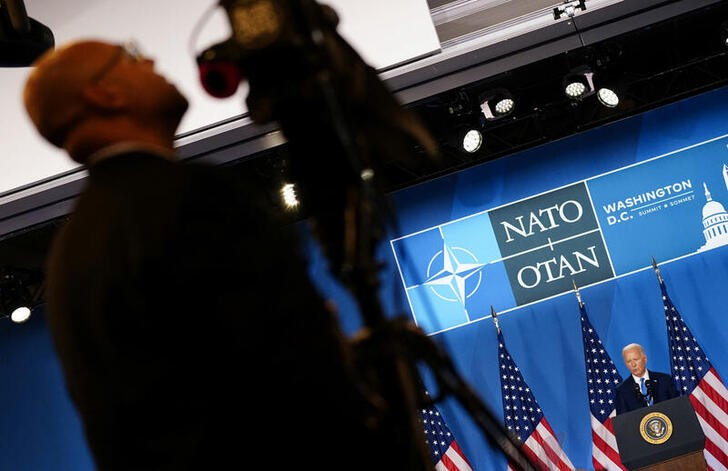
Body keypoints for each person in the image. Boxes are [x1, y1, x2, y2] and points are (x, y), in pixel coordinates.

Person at [23, 39, 388, 470]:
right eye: (133, 57)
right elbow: (291, 370)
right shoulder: (187, 197)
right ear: (104, 94)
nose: (154, 59)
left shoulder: (72, 252)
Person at [615, 343, 679, 414]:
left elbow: (676, 407)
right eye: (629, 361)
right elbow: (623, 421)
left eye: (636, 359)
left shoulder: (664, 380)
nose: (633, 365)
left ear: (645, 359)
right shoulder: (622, 390)